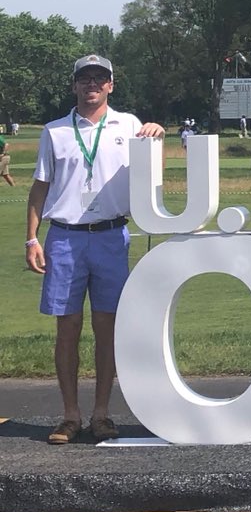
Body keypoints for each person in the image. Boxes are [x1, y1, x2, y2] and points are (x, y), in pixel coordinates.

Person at [25, 54, 165, 445]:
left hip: (111, 235)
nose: (92, 84)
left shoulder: (131, 125)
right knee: (66, 329)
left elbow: (153, 173)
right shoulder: (55, 131)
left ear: (111, 85)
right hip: (65, 237)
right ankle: (70, 415)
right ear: (74, 85)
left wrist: (158, 137)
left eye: (99, 79)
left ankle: (102, 413)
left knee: (108, 328)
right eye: (85, 78)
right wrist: (32, 237)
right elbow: (40, 187)